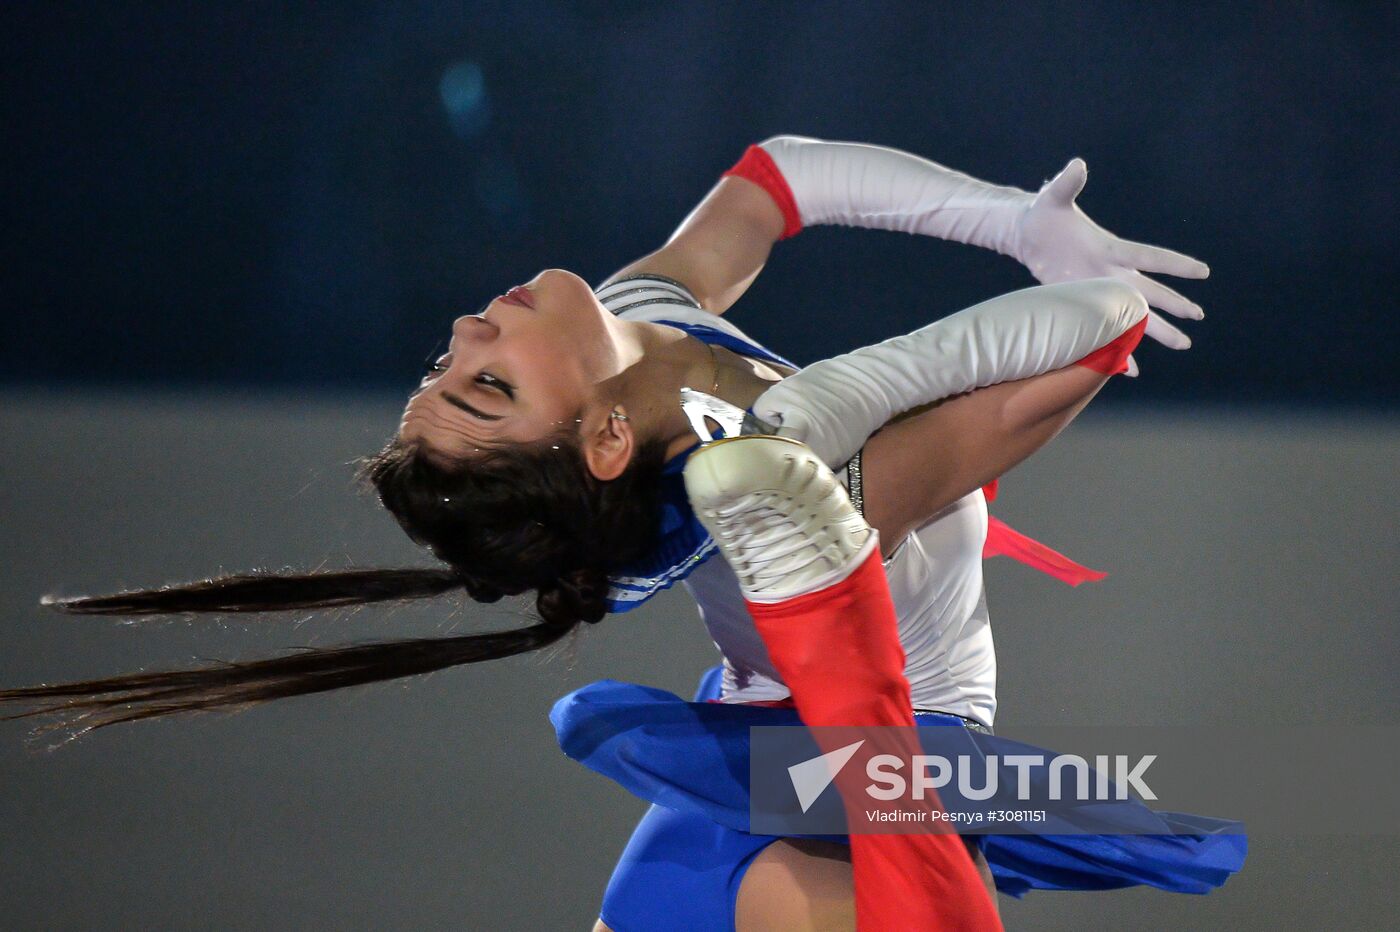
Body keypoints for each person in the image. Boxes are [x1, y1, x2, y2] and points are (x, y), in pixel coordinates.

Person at [0, 136, 1237, 928]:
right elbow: (1084, 333)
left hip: (756, 753)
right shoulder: (791, 499)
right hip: (847, 770)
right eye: (488, 384)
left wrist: (1009, 220)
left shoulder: (634, 327)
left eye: (450, 363)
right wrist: (825, 414)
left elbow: (777, 178)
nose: (471, 329)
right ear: (596, 442)